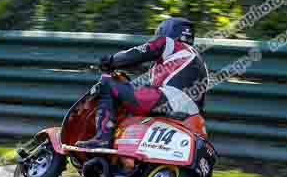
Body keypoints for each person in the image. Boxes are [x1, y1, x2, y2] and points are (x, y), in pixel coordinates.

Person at [76, 17, 210, 149]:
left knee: (108, 84)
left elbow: (137, 53)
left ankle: (102, 137)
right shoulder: (198, 59)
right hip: (192, 114)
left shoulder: (169, 43)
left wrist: (110, 61)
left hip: (167, 100)